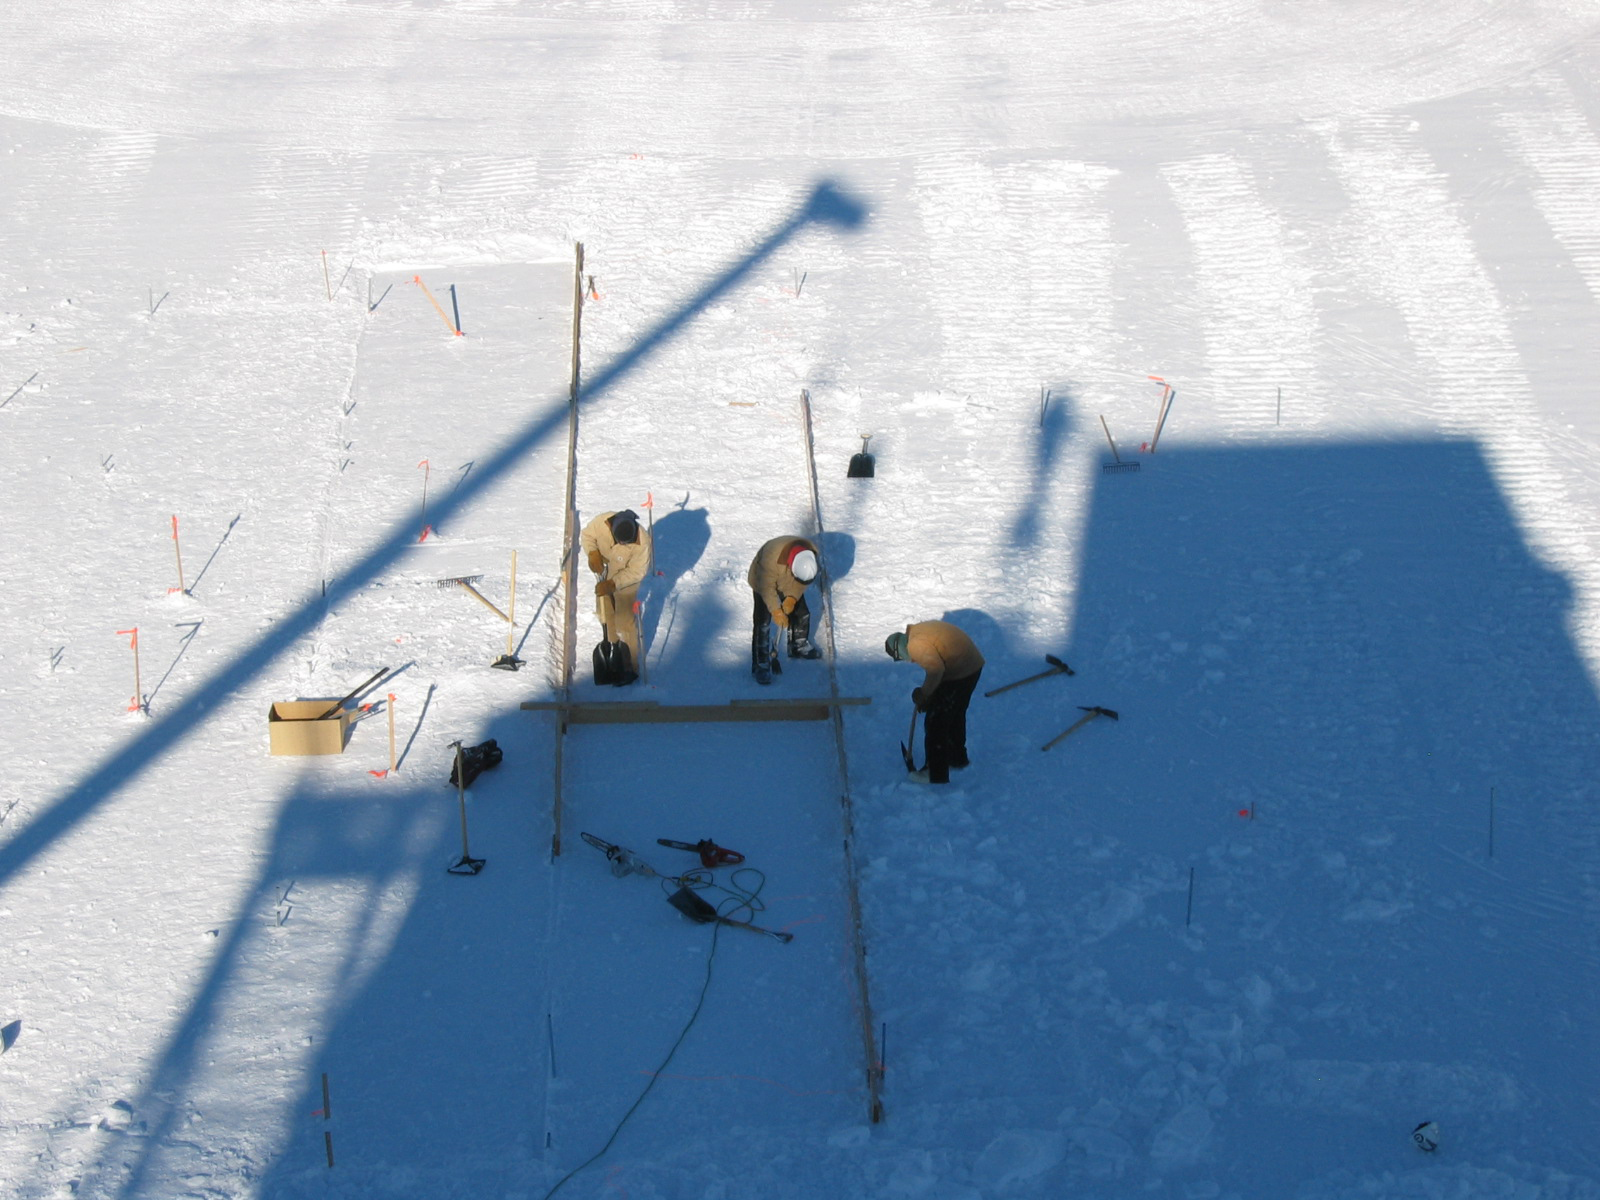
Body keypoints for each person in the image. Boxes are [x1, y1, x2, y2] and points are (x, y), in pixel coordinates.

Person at [885, 620, 984, 783]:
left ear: (900, 650)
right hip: (970, 667)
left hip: (961, 671)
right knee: (955, 712)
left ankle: (935, 773)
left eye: (902, 658)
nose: (910, 661)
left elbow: (936, 670)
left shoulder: (915, 645)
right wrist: (929, 694)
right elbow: (937, 668)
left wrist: (924, 694)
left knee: (936, 721)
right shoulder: (916, 632)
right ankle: (957, 758)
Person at [580, 509, 651, 685]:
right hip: (605, 572)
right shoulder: (602, 522)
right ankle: (612, 646)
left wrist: (613, 584)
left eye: (624, 543)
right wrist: (593, 553)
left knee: (625, 620)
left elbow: (637, 571)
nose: (621, 543)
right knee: (605, 613)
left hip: (627, 579)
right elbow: (587, 536)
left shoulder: (642, 542)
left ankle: (630, 666)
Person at [747, 535, 821, 685]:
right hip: (762, 581)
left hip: (789, 579)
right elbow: (767, 589)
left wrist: (792, 597)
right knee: (763, 623)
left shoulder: (810, 555)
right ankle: (761, 664)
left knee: (802, 612)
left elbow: (802, 582)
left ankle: (798, 644)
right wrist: (776, 611)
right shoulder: (771, 557)